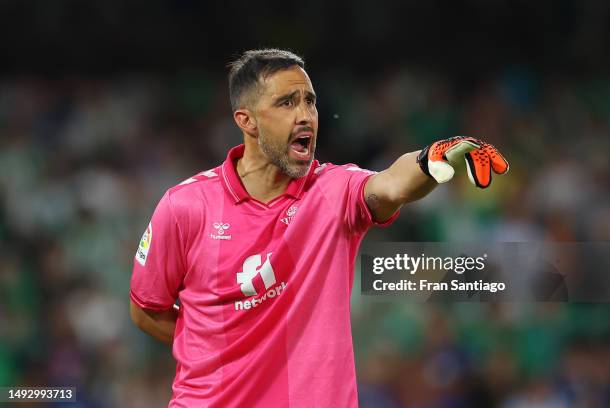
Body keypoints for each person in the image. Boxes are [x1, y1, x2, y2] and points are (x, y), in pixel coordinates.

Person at [129, 48, 509, 407]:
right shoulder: (186, 206)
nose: (305, 115)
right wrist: (223, 348)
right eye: (286, 103)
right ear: (246, 120)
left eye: (309, 101)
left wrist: (430, 159)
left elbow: (391, 184)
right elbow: (146, 309)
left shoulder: (333, 192)